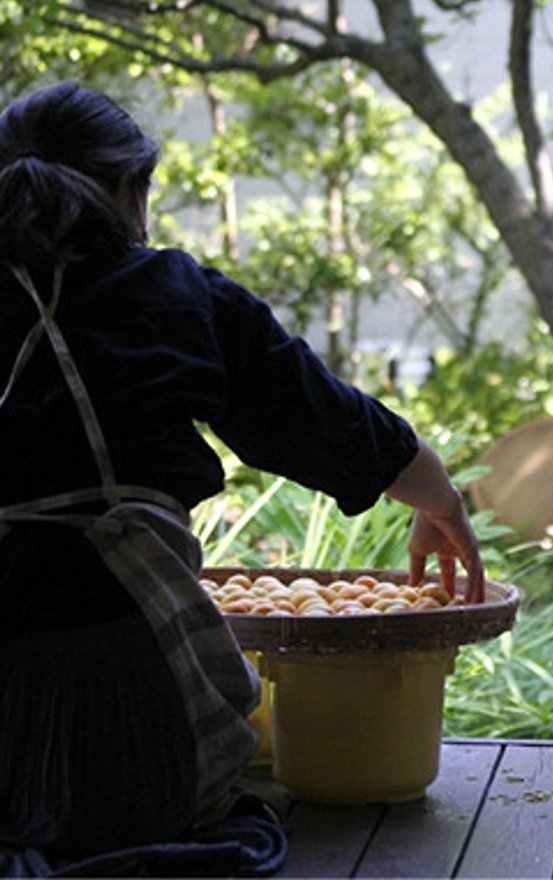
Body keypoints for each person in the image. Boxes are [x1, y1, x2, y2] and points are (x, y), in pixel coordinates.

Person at [0, 82, 485, 875]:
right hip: (133, 715)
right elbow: (322, 420)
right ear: (128, 192)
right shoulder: (171, 292)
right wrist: (442, 502)